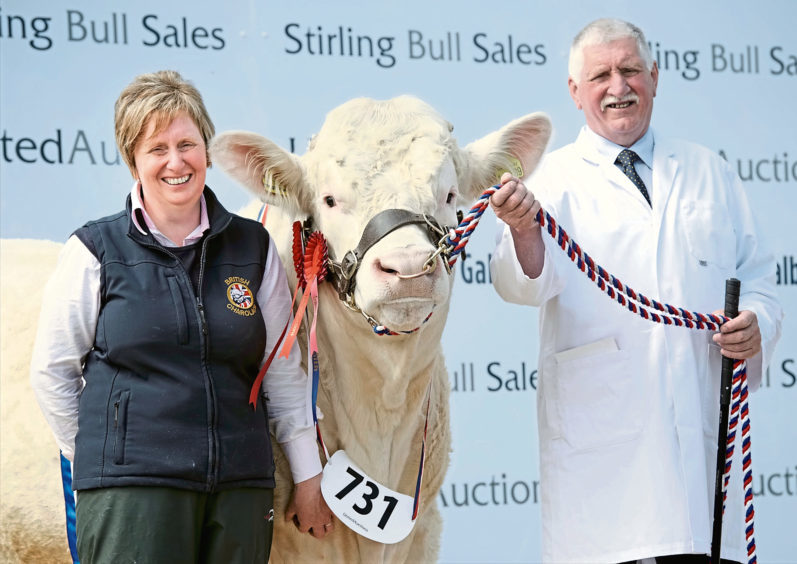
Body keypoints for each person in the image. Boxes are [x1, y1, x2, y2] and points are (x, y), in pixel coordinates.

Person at [489, 18, 783, 564]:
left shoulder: (708, 170)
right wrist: (523, 229)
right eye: (600, 75)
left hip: (700, 450)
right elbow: (520, 284)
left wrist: (757, 325)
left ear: (655, 75)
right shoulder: (550, 181)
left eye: (630, 70)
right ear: (575, 93)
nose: (618, 87)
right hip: (605, 475)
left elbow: (760, 277)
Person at [30, 70, 333, 563]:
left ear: (206, 152)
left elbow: (281, 370)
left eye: (187, 143)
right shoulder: (95, 249)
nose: (176, 162)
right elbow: (52, 372)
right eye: (157, 148)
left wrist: (307, 476)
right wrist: (104, 459)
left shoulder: (251, 248)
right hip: (134, 495)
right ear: (134, 161)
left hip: (239, 491)